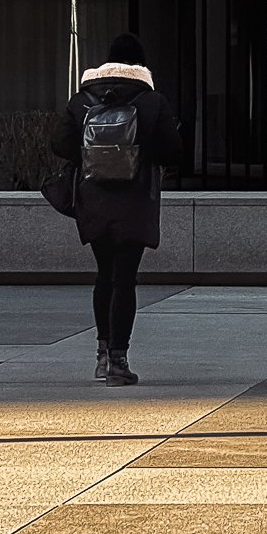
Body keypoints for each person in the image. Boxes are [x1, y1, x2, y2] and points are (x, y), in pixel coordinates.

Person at [51, 32, 181, 384]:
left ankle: (101, 355)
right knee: (125, 278)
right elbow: (173, 150)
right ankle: (119, 364)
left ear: (108, 62)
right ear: (139, 65)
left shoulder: (82, 100)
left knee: (103, 274)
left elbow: (60, 145)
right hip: (135, 201)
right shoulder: (152, 101)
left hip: (93, 200)